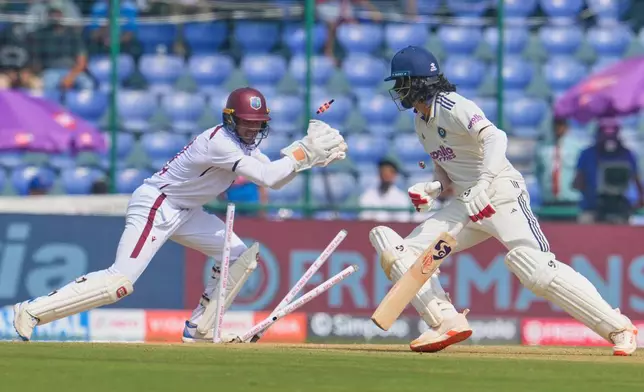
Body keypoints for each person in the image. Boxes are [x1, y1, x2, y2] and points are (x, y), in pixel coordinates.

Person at [13, 87, 348, 342]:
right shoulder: (219, 142)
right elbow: (272, 177)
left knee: (240, 257)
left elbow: (276, 177)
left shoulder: (245, 146)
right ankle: (31, 311)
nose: (250, 130)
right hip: (158, 204)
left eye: (256, 125)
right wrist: (305, 152)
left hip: (187, 211)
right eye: (245, 124)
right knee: (120, 282)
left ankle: (200, 329)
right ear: (230, 119)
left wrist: (307, 159)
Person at [370, 46, 637, 355]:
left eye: (401, 82)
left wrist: (483, 184)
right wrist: (432, 188)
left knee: (536, 269)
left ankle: (619, 328)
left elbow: (496, 138)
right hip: (466, 205)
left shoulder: (452, 105)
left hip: (499, 193)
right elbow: (446, 170)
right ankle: (444, 320)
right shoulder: (420, 122)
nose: (397, 90)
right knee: (398, 250)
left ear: (417, 81)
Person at [573, 119, 644, 225]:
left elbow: (636, 179)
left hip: (619, 207)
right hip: (592, 208)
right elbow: (578, 182)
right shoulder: (587, 154)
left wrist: (640, 198)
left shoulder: (627, 155)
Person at [535, 118, 584, 207]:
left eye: (561, 125)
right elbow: (537, 172)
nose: (558, 128)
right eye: (556, 125)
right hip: (548, 200)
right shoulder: (543, 148)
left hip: (571, 200)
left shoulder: (577, 148)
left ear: (567, 127)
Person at [359, 158, 411, 222]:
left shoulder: (401, 197)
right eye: (383, 172)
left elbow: (403, 221)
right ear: (379, 174)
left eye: (389, 173)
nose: (386, 176)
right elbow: (364, 219)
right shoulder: (368, 195)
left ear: (395, 175)